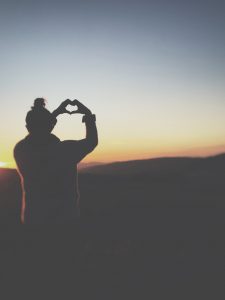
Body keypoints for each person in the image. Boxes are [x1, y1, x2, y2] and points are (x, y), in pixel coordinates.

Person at [14, 98, 98, 225]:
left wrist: (55, 113)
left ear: (27, 126)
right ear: (50, 125)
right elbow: (91, 141)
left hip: (33, 219)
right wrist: (88, 114)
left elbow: (40, 130)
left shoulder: (20, 149)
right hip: (64, 221)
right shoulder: (64, 150)